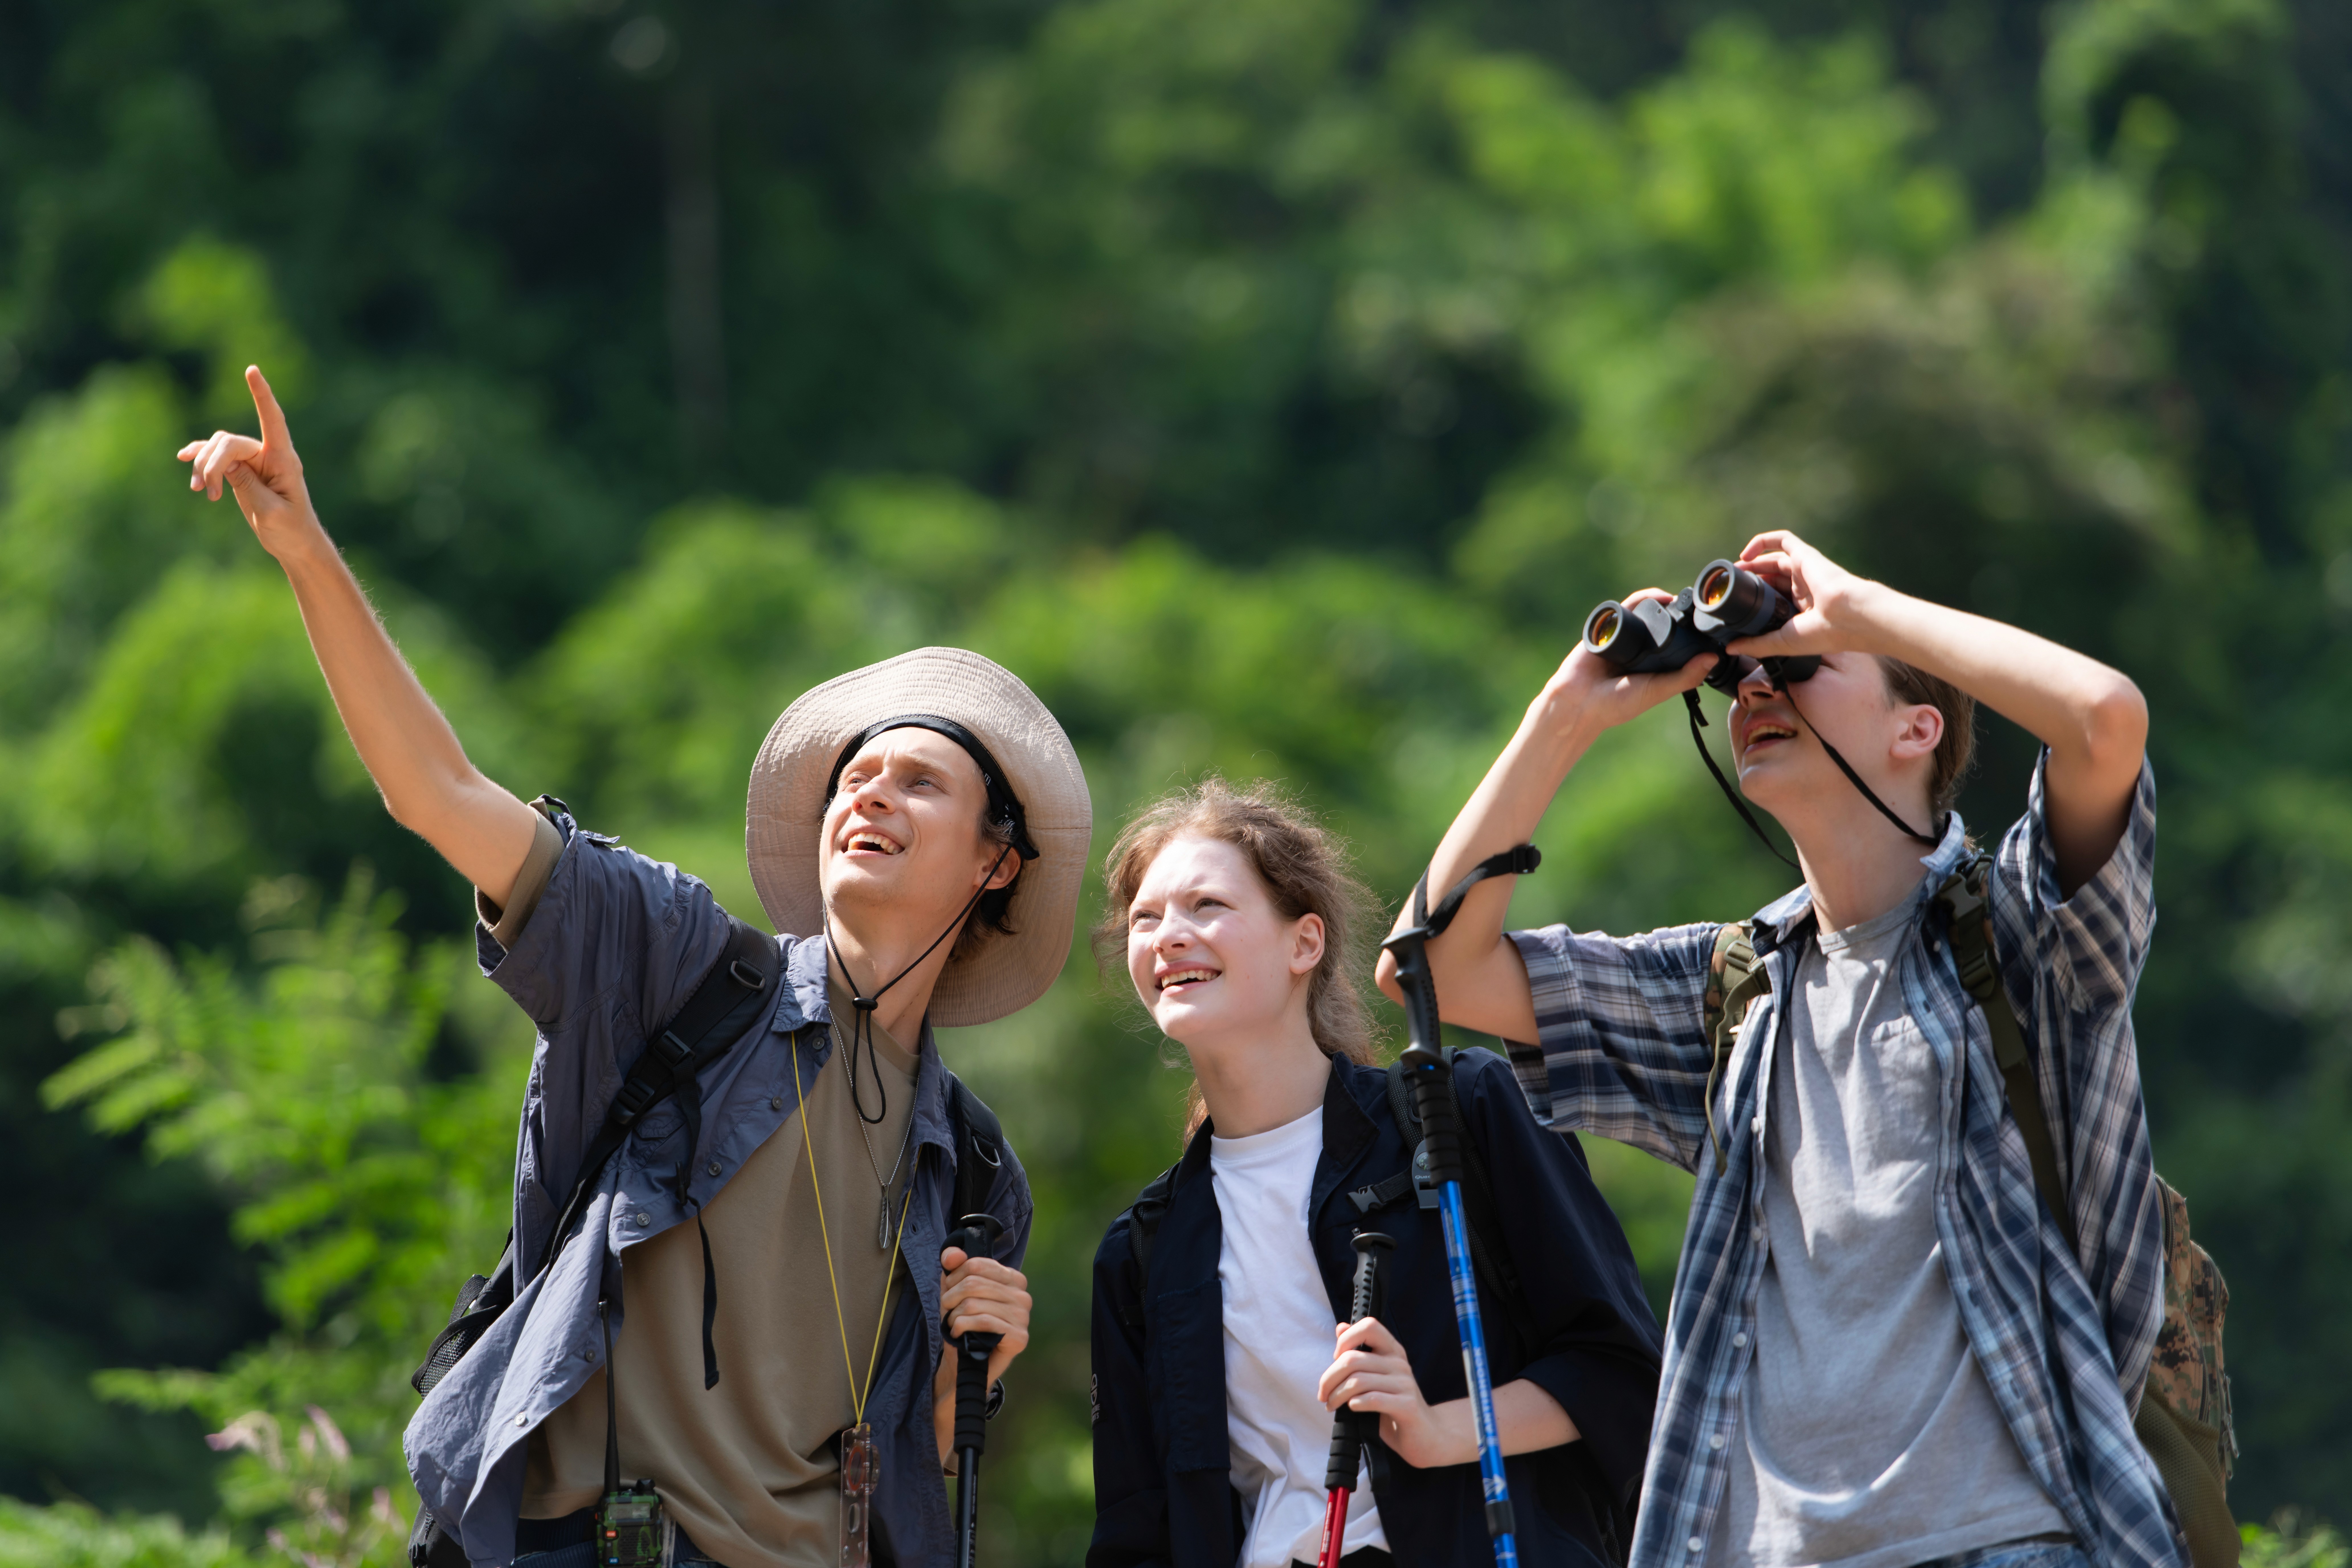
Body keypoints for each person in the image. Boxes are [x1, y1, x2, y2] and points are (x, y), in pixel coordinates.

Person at [176, 368, 1095, 1568]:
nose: (868, 788)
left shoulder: (974, 1172)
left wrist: (981, 1361)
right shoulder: (679, 965)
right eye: (853, 775)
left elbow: (910, 1484)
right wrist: (306, 548)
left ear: (995, 864)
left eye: (920, 780)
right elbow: (439, 792)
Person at [1380, 531, 2177, 1568]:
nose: (1760, 691)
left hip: (2010, 1541)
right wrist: (1566, 714)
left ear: (1917, 728)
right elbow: (1430, 967)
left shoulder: (2026, 938)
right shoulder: (1737, 990)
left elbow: (2105, 719)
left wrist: (1855, 605)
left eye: (1799, 668)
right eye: (1748, 676)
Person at [1087, 779, 1663, 1568]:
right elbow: (1135, 1530)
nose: (1168, 937)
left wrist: (1438, 1431)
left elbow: (1622, 1369)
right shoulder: (1143, 1250)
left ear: (1305, 944)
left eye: (1207, 907)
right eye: (1146, 920)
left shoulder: (1459, 1110)